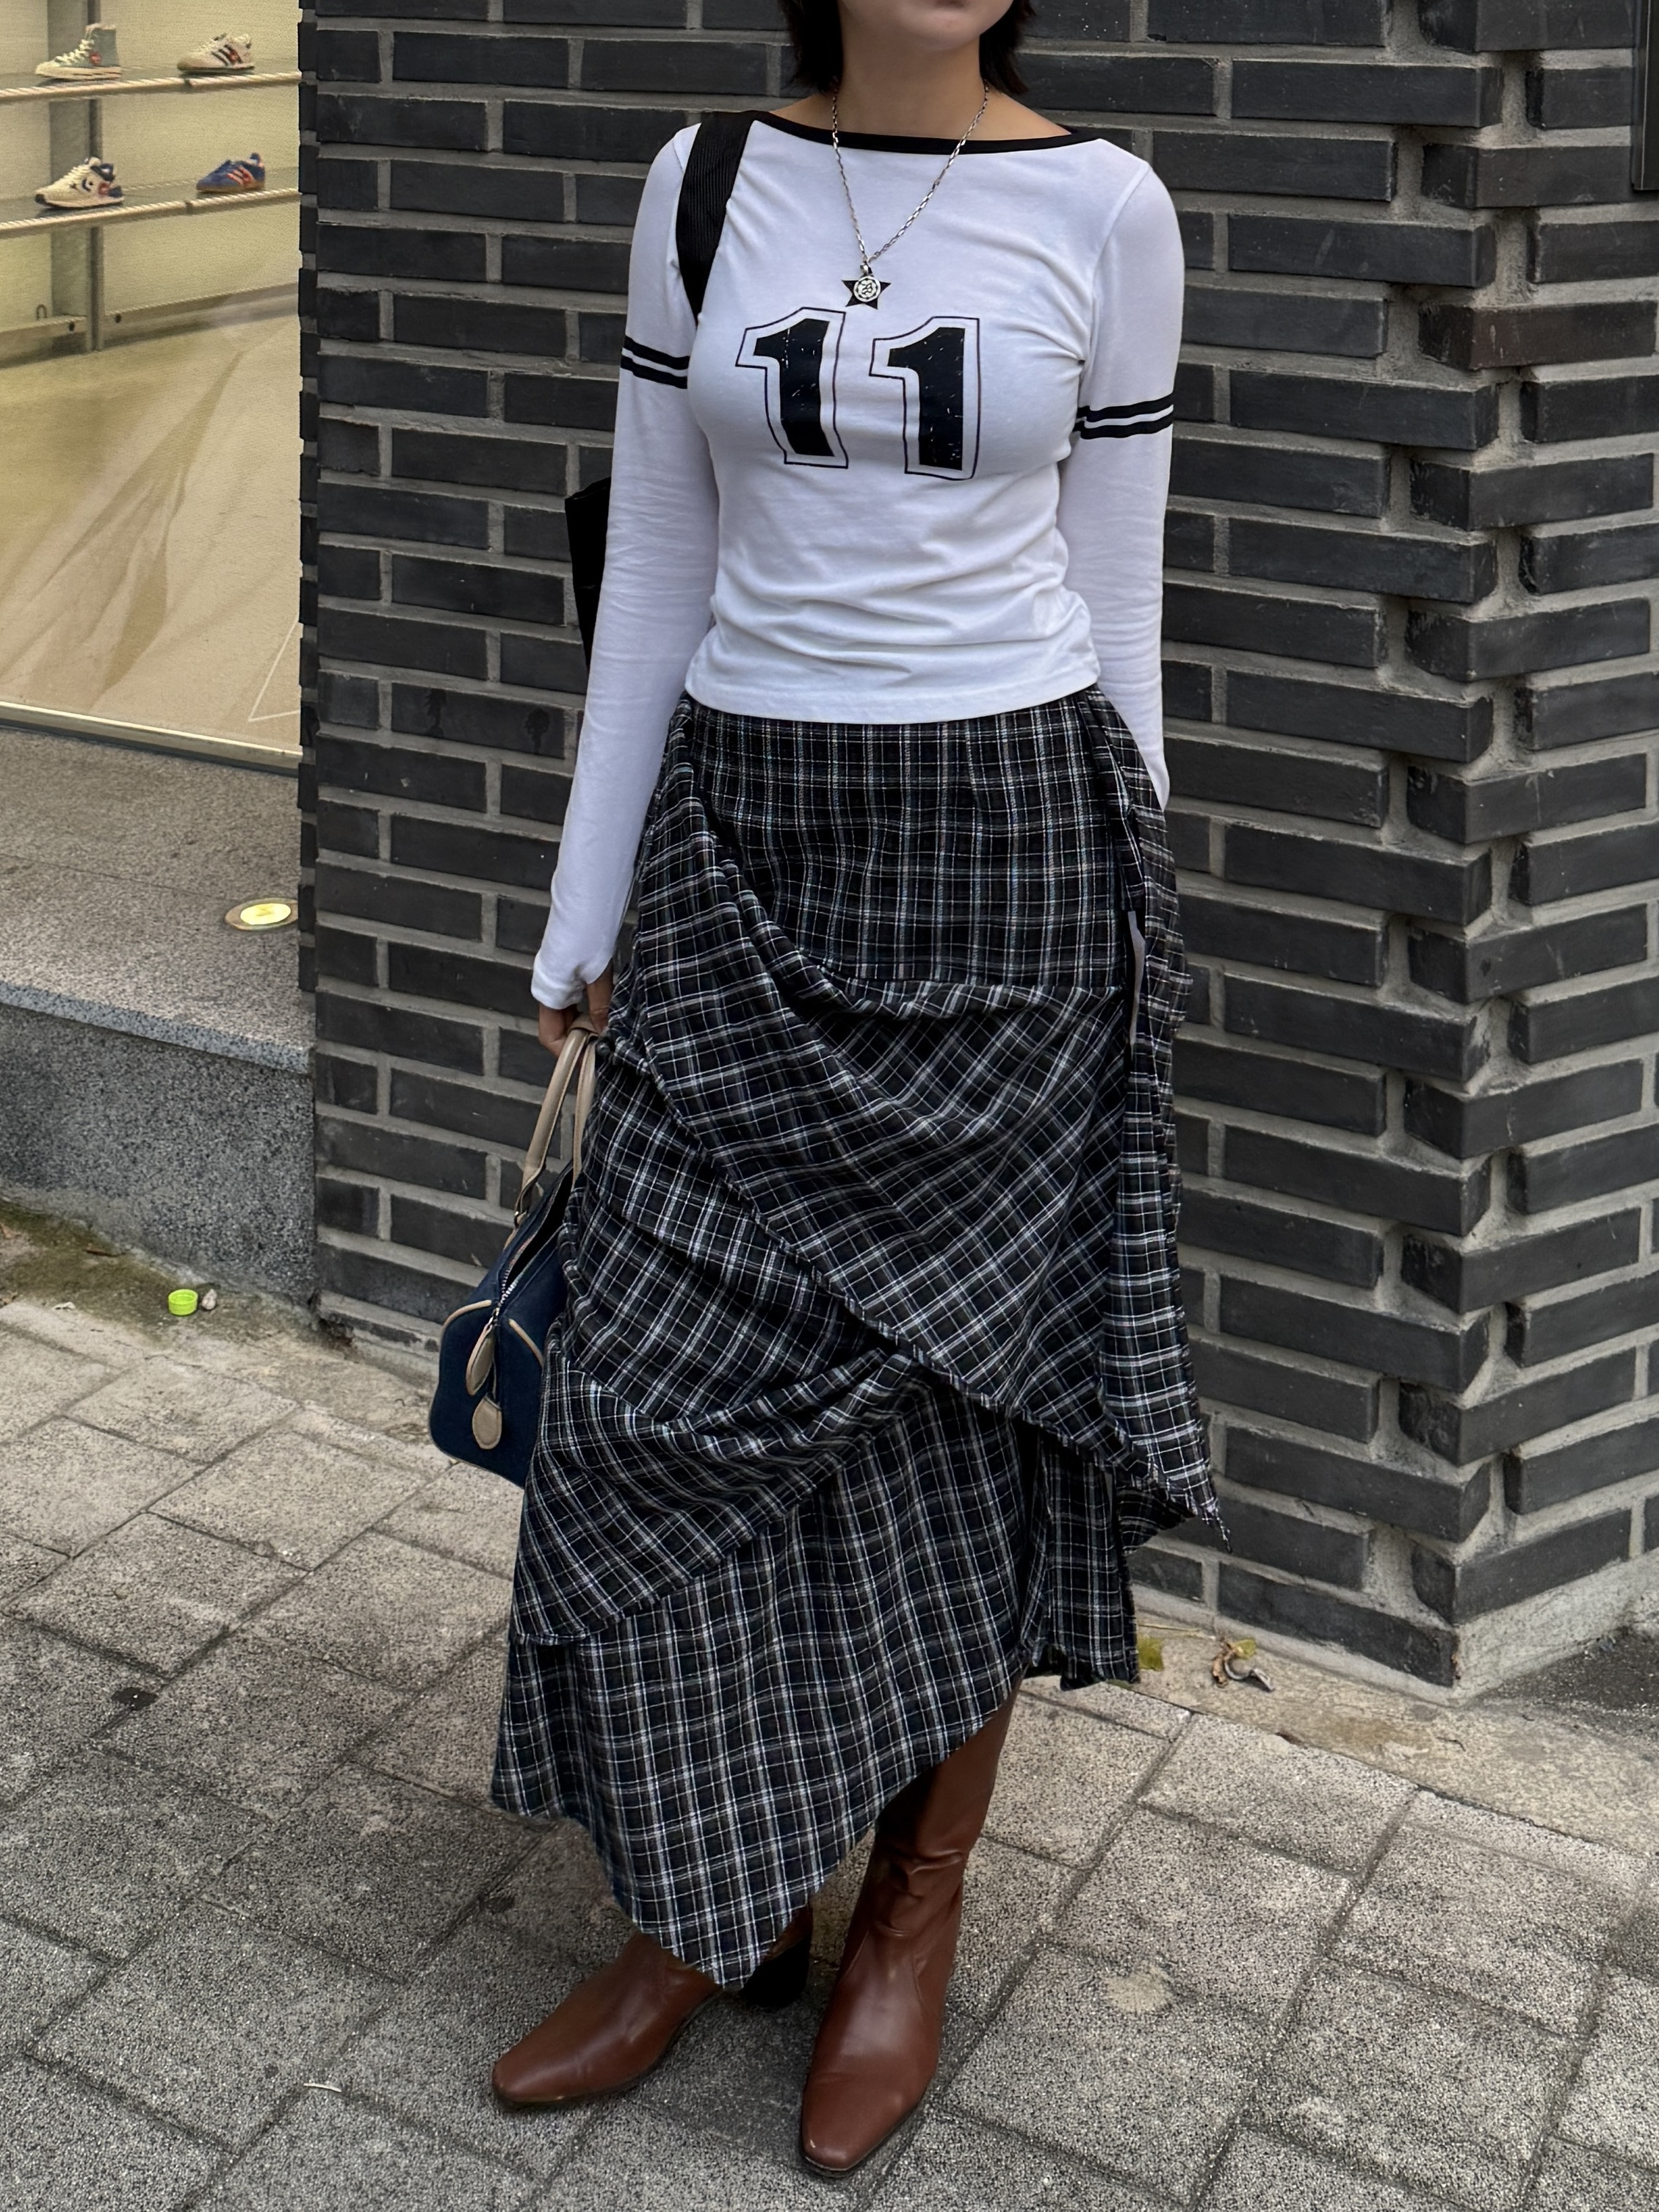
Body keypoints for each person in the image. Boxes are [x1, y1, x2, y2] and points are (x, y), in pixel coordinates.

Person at [487, 0, 1217, 2172]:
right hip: (739, 847)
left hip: (1012, 862)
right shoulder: (705, 181)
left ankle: (908, 1913)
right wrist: (584, 909)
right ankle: (703, 1906)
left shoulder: (1107, 208)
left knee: (959, 1424)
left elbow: (1116, 590)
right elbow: (658, 560)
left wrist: (1141, 923)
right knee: (646, 1406)